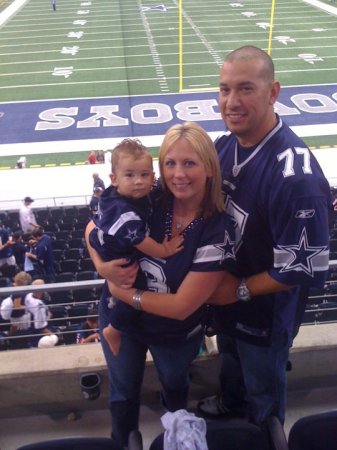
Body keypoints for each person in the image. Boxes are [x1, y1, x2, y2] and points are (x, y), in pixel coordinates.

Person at [194, 45, 331, 426]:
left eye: (245, 89)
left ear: (273, 92)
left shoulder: (295, 176)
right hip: (229, 301)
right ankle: (232, 406)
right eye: (224, 90)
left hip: (262, 313)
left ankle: (263, 434)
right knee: (233, 367)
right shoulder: (225, 146)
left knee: (264, 396)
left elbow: (302, 269)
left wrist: (237, 290)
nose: (231, 102)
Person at [85, 122, 236, 447]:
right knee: (123, 391)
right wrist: (102, 267)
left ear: (209, 168)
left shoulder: (217, 228)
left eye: (189, 163)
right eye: (170, 163)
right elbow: (92, 228)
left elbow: (182, 306)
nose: (178, 174)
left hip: (172, 332)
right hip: (122, 321)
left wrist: (126, 292)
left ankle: (177, 437)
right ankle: (122, 441)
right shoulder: (149, 197)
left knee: (174, 383)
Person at [89, 138, 184, 356]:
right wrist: (165, 250)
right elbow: (144, 243)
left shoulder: (128, 195)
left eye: (144, 175)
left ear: (152, 176)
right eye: (129, 175)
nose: (138, 182)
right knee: (136, 288)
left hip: (105, 237)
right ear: (114, 179)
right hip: (118, 254)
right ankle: (114, 329)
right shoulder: (125, 212)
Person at [25, 278, 53, 346]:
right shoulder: (39, 306)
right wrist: (52, 336)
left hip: (31, 329)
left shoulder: (28, 296)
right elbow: (41, 327)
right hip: (39, 336)